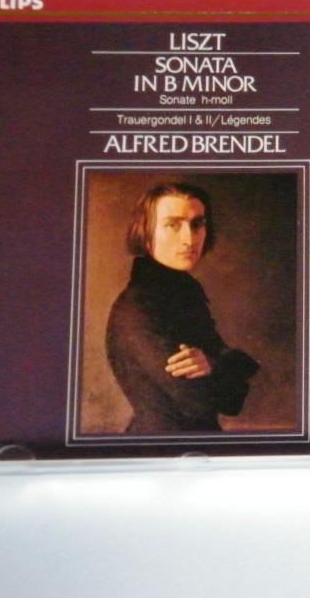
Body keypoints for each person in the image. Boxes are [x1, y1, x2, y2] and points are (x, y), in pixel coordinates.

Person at [105, 182, 259, 433]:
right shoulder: (139, 308)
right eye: (172, 225)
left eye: (197, 224)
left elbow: (233, 403)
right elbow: (198, 401)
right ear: (145, 232)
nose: (189, 239)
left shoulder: (185, 295)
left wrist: (213, 365)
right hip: (158, 444)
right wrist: (228, 365)